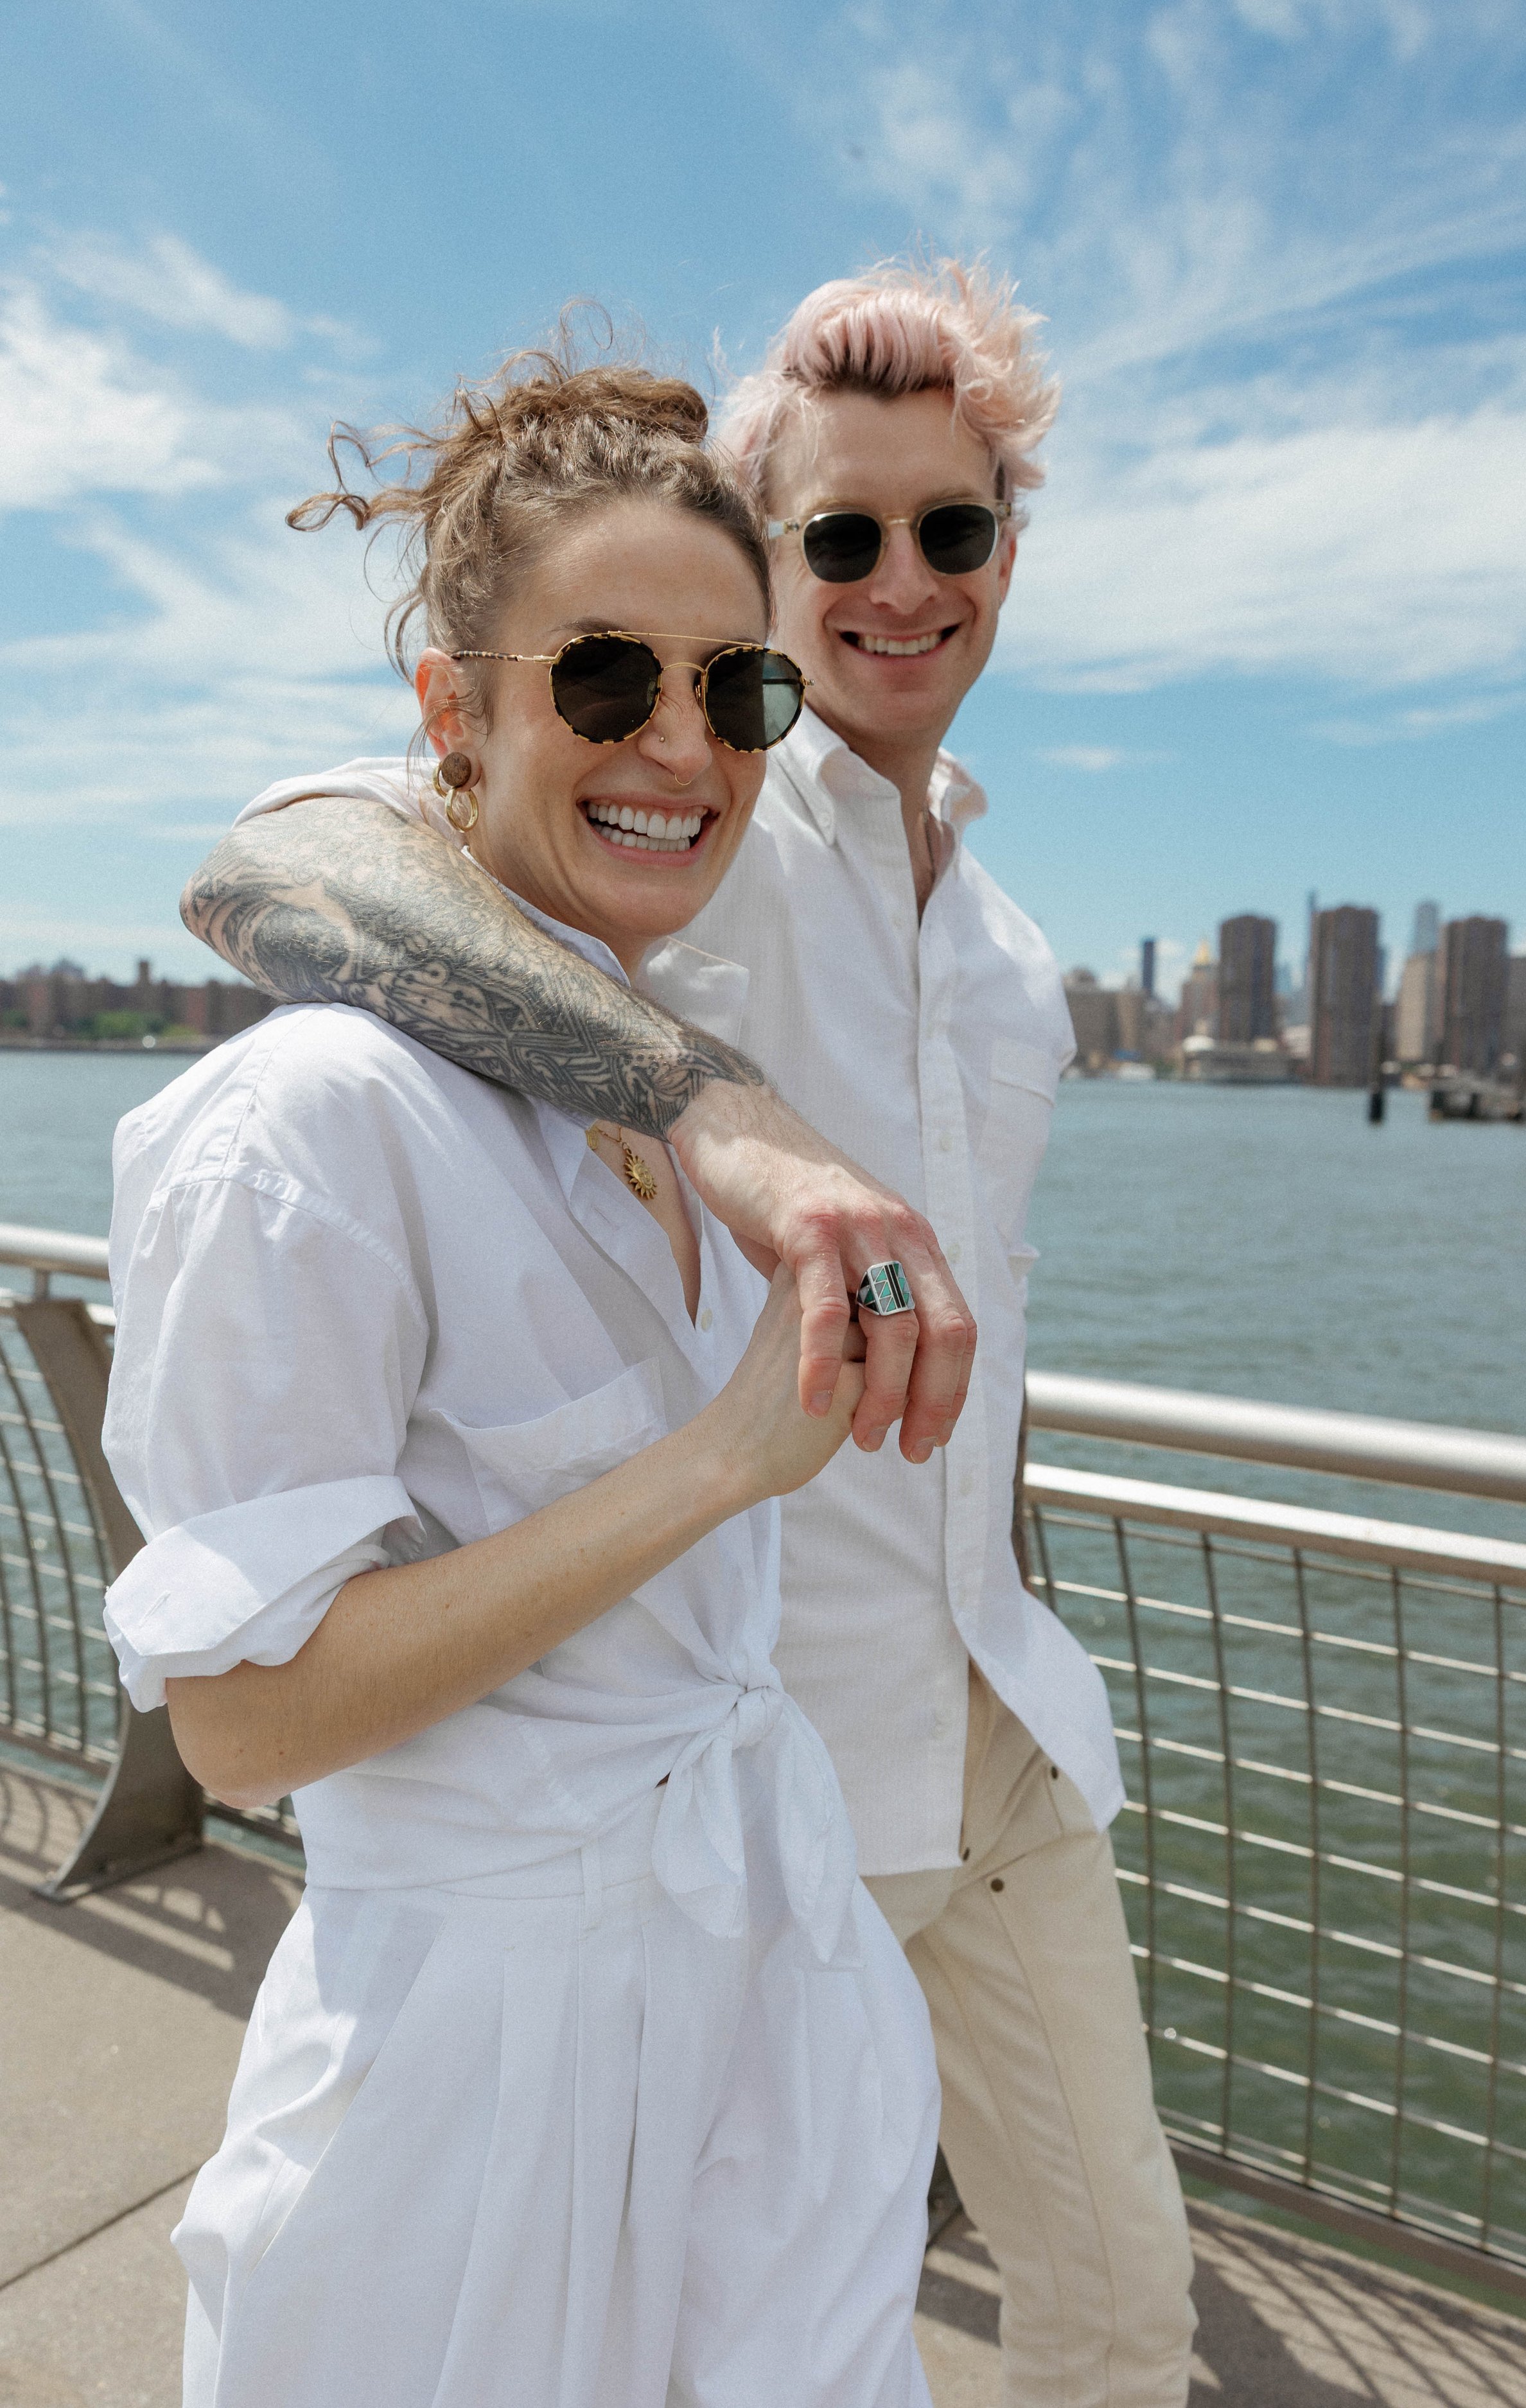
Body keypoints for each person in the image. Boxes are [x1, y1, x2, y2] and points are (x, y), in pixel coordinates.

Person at [184, 260, 1198, 2406]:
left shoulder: (1010, 950)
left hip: (995, 1729)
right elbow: (286, 854)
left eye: (954, 529)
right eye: (840, 534)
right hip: (765, 1784)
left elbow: (971, 1325)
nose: (899, 584)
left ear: (1011, 548)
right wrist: (723, 1114)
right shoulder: (703, 813)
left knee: (1119, 2318)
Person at [101, 349, 940, 2408]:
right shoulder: (308, 1129)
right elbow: (238, 1723)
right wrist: (723, 1463)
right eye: (599, 681)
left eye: (736, 692)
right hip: (469, 2118)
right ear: (450, 716)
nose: (681, 744)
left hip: (765, 2012)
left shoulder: (652, 1076)